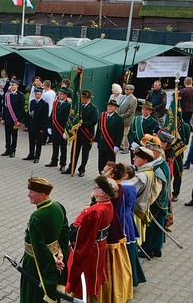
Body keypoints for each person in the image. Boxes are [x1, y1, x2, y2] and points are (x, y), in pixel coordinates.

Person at [20, 177, 69, 303]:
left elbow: (39, 247)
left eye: (32, 192)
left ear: (42, 195)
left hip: (35, 263)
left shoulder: (36, 217)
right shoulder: (58, 206)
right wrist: (61, 255)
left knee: (33, 295)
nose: (28, 195)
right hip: (55, 257)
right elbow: (64, 235)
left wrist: (54, 261)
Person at [66, 175, 115, 302]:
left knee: (85, 279)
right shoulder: (108, 205)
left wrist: (73, 240)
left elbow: (84, 236)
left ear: (103, 192)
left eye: (96, 188)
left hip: (90, 250)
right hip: (100, 245)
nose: (93, 189)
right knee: (93, 276)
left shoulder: (95, 211)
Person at [100, 163, 134, 303]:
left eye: (105, 170)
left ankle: (109, 292)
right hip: (114, 224)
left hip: (109, 227)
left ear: (112, 175)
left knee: (108, 261)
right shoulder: (118, 187)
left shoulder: (113, 189)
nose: (102, 171)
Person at [63, 90, 99, 176]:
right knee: (74, 152)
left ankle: (82, 169)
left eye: (85, 98)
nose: (82, 99)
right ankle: (71, 167)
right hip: (78, 134)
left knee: (85, 153)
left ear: (89, 99)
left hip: (87, 134)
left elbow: (93, 121)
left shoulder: (93, 108)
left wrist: (82, 124)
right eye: (82, 97)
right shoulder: (78, 107)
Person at [45, 87, 71, 171]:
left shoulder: (68, 105)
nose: (59, 95)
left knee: (63, 148)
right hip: (55, 128)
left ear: (66, 95)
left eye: (61, 94)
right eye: (59, 94)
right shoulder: (55, 103)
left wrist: (66, 131)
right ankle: (54, 161)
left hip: (62, 129)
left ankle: (63, 164)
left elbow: (68, 119)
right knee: (55, 146)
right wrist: (49, 126)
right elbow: (52, 115)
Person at [95, 100, 124, 174]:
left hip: (111, 143)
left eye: (111, 106)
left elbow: (119, 133)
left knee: (110, 162)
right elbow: (99, 129)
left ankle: (109, 175)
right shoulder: (102, 115)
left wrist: (117, 145)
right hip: (102, 142)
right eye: (108, 106)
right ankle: (101, 174)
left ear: (115, 108)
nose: (109, 108)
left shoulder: (119, 119)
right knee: (101, 160)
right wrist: (96, 140)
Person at [24, 87, 48, 163]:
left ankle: (37, 156)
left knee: (38, 142)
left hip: (39, 126)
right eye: (35, 94)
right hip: (32, 125)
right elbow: (29, 113)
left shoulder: (44, 104)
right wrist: (27, 124)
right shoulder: (32, 102)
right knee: (31, 141)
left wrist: (43, 128)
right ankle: (31, 154)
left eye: (37, 94)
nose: (36, 95)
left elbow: (45, 117)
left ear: (41, 94)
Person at [1, 79, 24, 158]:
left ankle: (13, 150)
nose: (11, 86)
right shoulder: (7, 94)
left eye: (13, 85)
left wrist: (19, 120)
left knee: (14, 135)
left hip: (15, 119)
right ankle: (7, 149)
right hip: (7, 118)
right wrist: (3, 118)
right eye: (11, 85)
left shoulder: (20, 95)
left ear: (17, 86)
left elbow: (21, 109)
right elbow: (5, 107)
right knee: (7, 134)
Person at [117, 84, 138, 154]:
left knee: (125, 134)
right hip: (119, 118)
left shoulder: (134, 99)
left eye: (128, 89)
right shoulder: (123, 97)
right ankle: (121, 146)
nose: (126, 90)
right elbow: (119, 106)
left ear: (132, 91)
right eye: (125, 89)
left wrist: (121, 116)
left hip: (127, 119)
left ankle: (126, 147)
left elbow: (130, 111)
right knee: (120, 133)